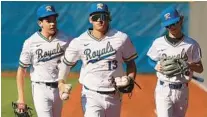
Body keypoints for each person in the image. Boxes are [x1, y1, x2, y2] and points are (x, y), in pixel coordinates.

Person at [57, 2, 138, 117]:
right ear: (90, 19)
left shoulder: (121, 38)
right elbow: (66, 64)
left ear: (109, 18)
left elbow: (131, 63)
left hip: (115, 95)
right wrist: (61, 82)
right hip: (91, 95)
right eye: (96, 17)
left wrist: (130, 79)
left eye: (103, 16)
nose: (100, 20)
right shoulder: (79, 42)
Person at [16, 4, 72, 117]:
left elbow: (80, 54)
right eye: (48, 20)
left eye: (54, 20)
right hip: (40, 88)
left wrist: (66, 68)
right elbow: (21, 70)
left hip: (58, 88)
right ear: (40, 23)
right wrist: (21, 98)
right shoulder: (30, 42)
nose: (52, 23)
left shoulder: (66, 39)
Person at [147, 6, 203, 117]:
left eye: (173, 23)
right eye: (167, 25)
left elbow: (200, 68)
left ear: (180, 20)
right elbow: (150, 59)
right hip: (164, 90)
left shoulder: (192, 44)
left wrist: (188, 65)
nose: (171, 27)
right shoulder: (158, 43)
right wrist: (156, 66)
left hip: (182, 91)